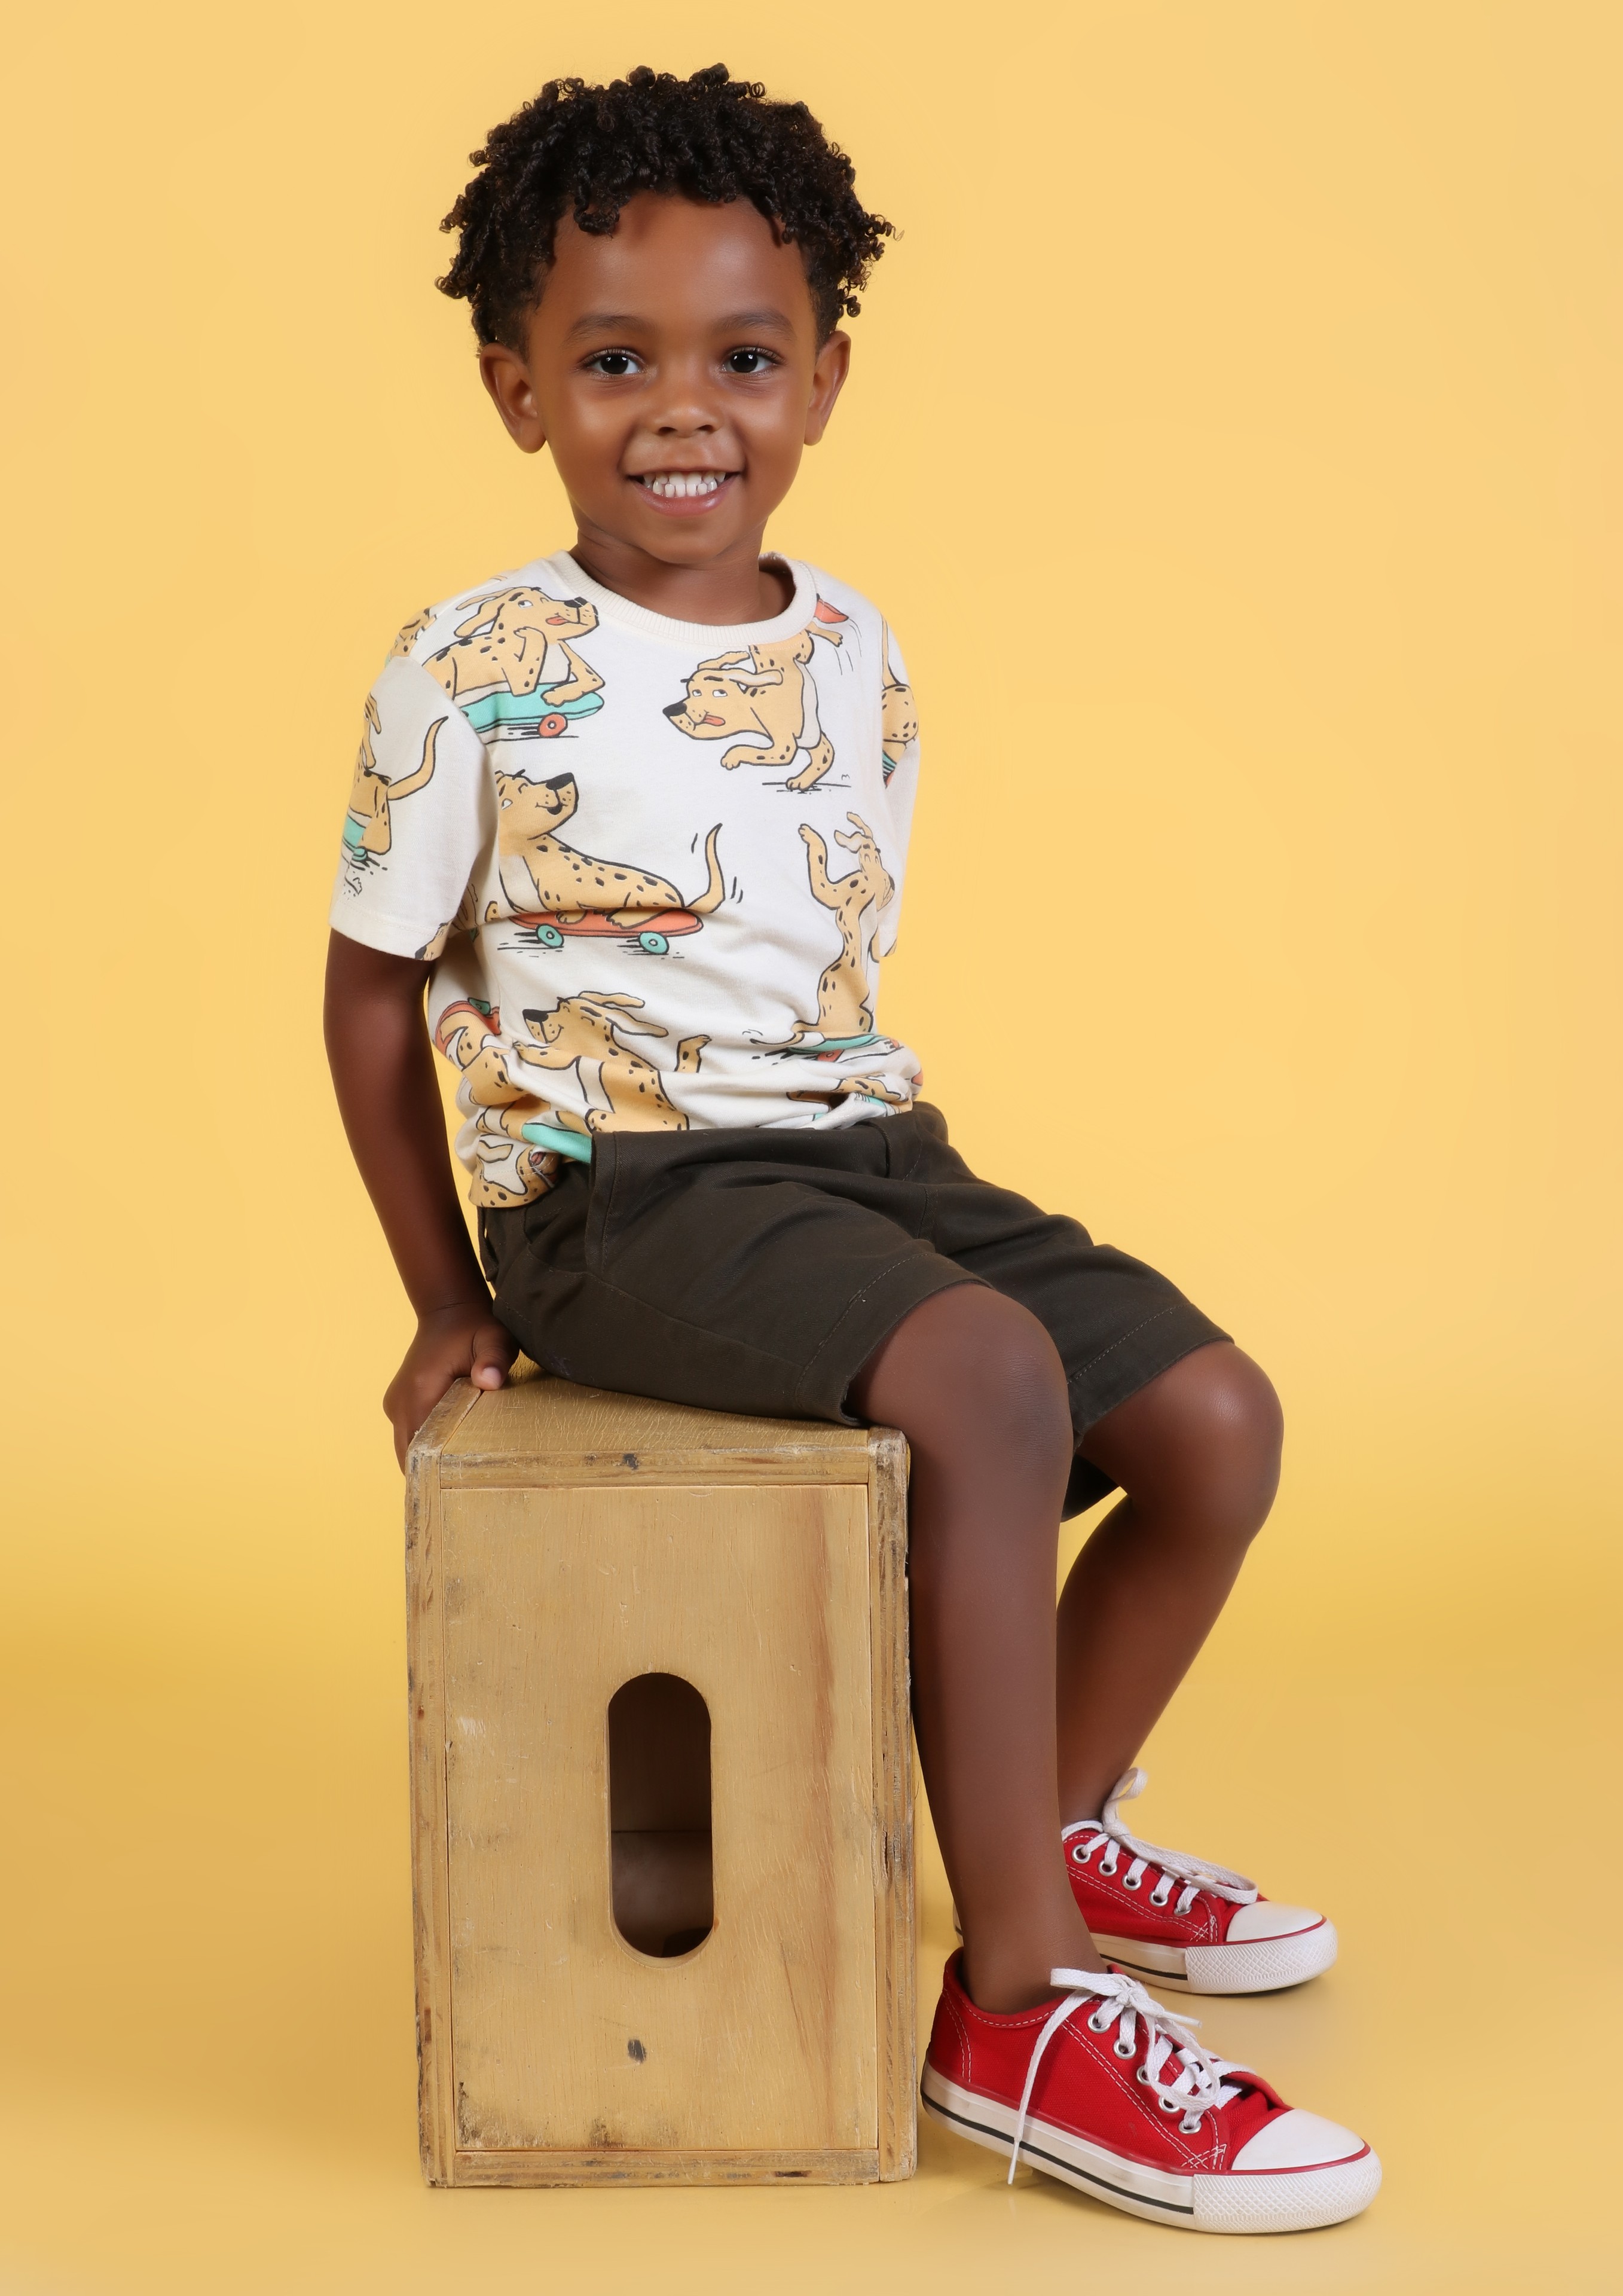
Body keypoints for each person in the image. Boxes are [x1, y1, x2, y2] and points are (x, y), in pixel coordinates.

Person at [325, 64, 1378, 2234]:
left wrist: (882, 1180)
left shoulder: (858, 648)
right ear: (518, 389)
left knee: (1213, 1422)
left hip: (862, 1147)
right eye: (612, 362)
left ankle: (1038, 1822)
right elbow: (366, 999)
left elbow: (819, 975)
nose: (680, 412)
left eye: (740, 359)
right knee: (983, 1374)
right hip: (621, 1195)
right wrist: (446, 1291)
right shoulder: (472, 669)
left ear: (820, 378)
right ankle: (1017, 2011)